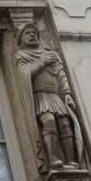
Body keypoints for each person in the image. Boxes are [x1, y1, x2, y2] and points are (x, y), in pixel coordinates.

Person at [15, 23, 81, 170]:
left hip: (54, 94)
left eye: (34, 32)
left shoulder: (51, 54)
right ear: (20, 40)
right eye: (27, 33)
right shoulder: (21, 55)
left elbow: (61, 74)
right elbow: (25, 73)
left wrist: (67, 93)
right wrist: (42, 61)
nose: (32, 34)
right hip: (41, 95)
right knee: (49, 121)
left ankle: (70, 160)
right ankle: (53, 158)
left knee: (65, 124)